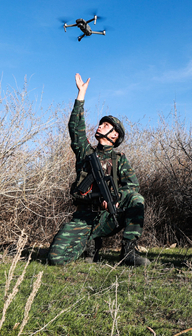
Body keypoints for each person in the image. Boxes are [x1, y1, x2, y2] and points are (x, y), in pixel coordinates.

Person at [47, 73, 149, 267]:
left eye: (106, 125)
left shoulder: (120, 160)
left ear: (115, 135)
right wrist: (81, 96)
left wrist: (115, 199)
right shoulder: (86, 153)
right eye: (101, 124)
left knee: (136, 200)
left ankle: (128, 252)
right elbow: (75, 129)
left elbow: (132, 187)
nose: (100, 126)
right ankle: (90, 245)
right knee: (56, 259)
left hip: (108, 216)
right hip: (84, 216)